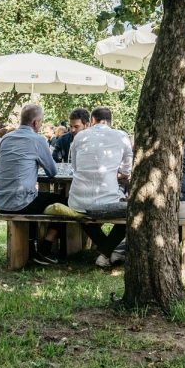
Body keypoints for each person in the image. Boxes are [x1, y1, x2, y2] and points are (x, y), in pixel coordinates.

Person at [0, 104, 62, 263]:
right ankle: (45, 249)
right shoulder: (38, 140)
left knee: (32, 197)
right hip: (21, 201)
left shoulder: (6, 138)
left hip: (1, 200)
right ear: (36, 123)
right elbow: (52, 172)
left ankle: (30, 249)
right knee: (63, 203)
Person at [68, 106, 133, 266]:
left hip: (77, 201)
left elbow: (75, 167)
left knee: (83, 214)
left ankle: (107, 252)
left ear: (92, 120)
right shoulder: (122, 136)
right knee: (132, 213)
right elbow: (126, 171)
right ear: (110, 121)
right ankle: (108, 252)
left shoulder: (80, 136)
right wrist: (111, 173)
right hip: (107, 200)